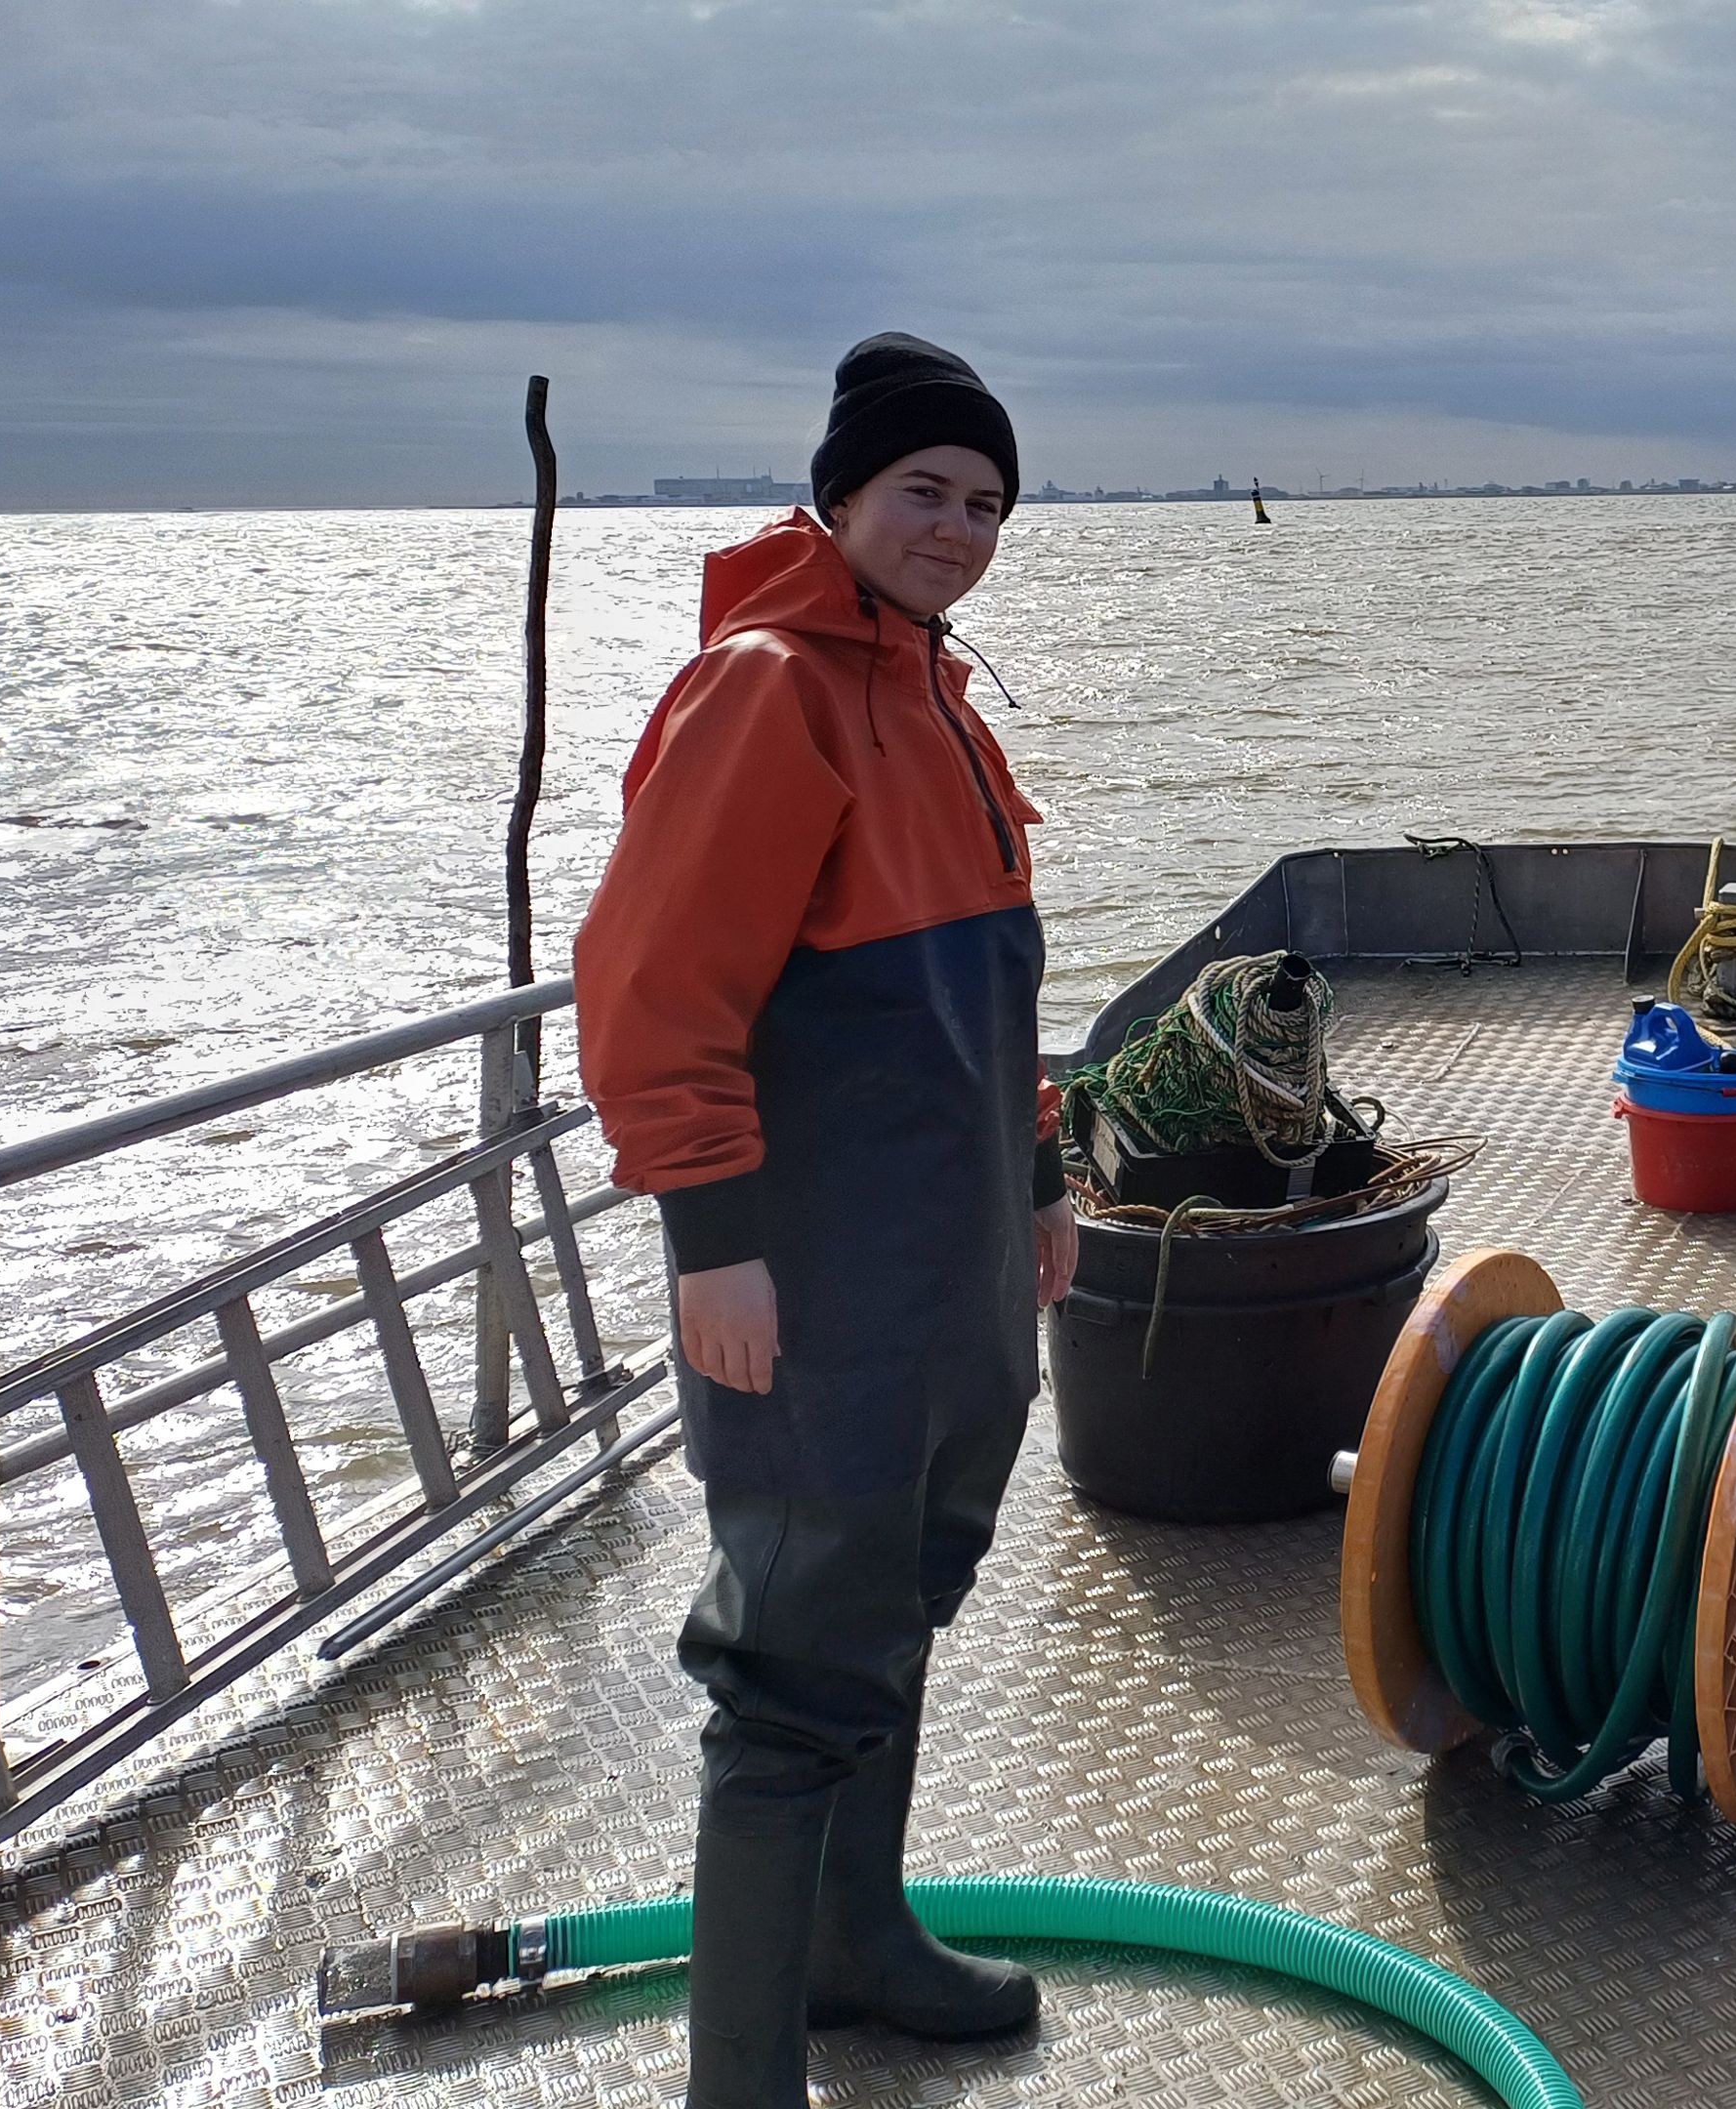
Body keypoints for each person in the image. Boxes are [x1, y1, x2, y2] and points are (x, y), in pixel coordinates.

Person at [573, 332, 1076, 2105]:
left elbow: (983, 994)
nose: (958, 529)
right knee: (791, 1658)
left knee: (899, 1599)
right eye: (925, 493)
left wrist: (1037, 1176)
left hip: (948, 1269)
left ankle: (861, 1944)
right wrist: (713, 1237)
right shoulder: (768, 690)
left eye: (988, 504)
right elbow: (650, 995)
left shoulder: (936, 695)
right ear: (839, 497)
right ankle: (742, 2077)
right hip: (812, 1277)